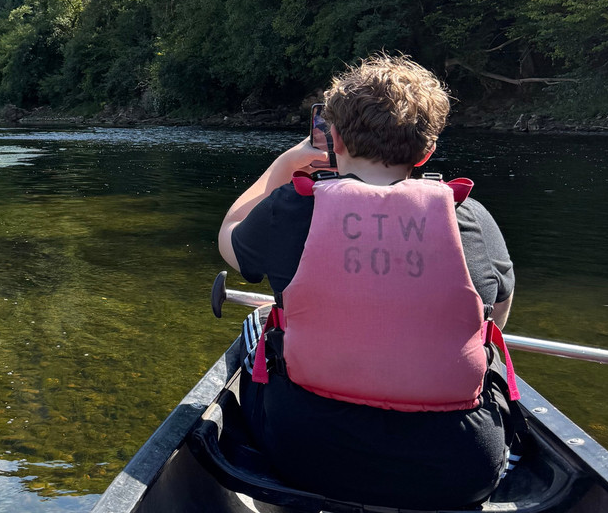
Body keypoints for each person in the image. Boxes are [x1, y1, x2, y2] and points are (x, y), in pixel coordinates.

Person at [217, 54, 518, 509]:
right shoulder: (470, 217)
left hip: (309, 456)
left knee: (258, 328)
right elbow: (495, 316)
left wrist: (287, 163)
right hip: (460, 466)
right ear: (426, 152)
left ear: (332, 137)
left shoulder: (294, 209)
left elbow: (229, 238)